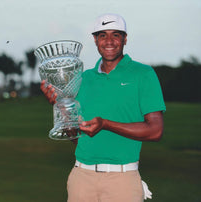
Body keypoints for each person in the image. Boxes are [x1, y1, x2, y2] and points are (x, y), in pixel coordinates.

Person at [41, 13, 166, 202]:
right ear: (95, 39)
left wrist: (106, 124)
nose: (109, 41)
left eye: (116, 35)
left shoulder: (143, 74)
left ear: (125, 39)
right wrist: (61, 107)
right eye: (102, 35)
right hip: (81, 177)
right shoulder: (82, 79)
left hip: (122, 180)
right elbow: (76, 138)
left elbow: (155, 131)